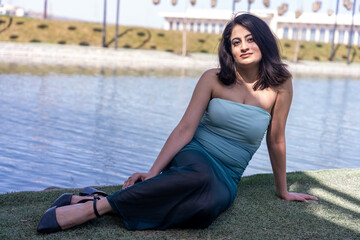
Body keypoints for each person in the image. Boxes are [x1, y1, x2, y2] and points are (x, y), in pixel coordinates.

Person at [37, 13, 318, 233]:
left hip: (230, 173)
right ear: (229, 50)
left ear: (264, 41)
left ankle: (90, 199)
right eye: (236, 42)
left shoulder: (280, 85)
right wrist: (153, 171)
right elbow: (185, 128)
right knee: (199, 177)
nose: (243, 46)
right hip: (195, 155)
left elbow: (276, 139)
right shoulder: (213, 78)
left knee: (205, 210)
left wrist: (282, 190)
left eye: (250, 39)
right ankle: (95, 209)